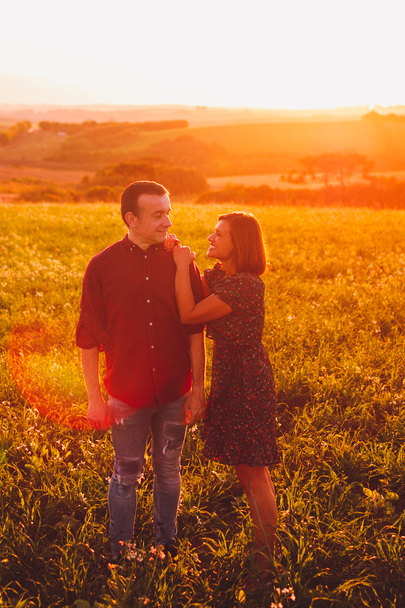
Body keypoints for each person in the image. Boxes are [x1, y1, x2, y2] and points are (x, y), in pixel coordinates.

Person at [76, 181, 206, 559]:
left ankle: (166, 544)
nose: (168, 221)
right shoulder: (101, 266)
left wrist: (198, 390)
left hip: (173, 392)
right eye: (158, 214)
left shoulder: (180, 260)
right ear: (131, 219)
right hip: (126, 395)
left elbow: (195, 329)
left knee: (169, 470)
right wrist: (94, 399)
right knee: (125, 475)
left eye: (169, 211)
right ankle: (120, 550)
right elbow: (87, 337)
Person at [170, 212, 281, 583]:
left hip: (247, 379)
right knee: (244, 470)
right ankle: (261, 544)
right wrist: (182, 259)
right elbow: (195, 285)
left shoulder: (247, 285)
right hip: (230, 375)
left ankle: (267, 556)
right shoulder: (222, 277)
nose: (211, 237)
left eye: (219, 234)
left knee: (255, 471)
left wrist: (184, 263)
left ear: (241, 244)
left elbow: (190, 312)